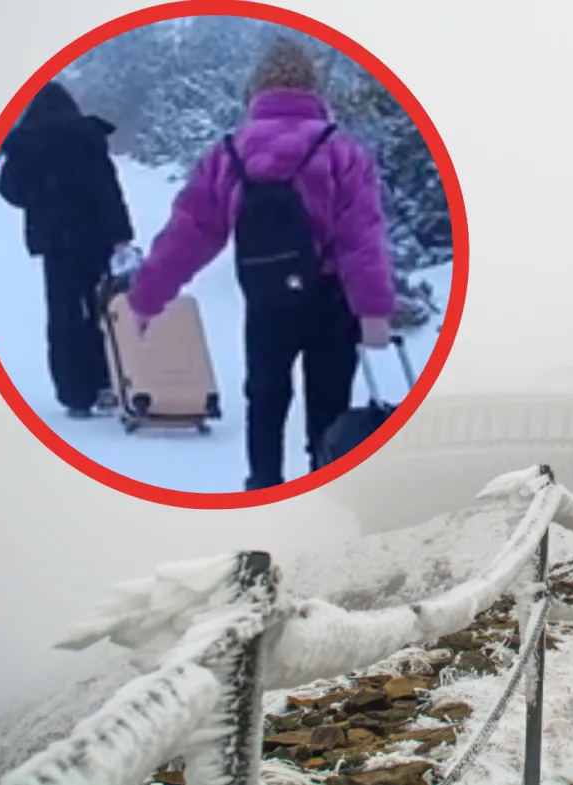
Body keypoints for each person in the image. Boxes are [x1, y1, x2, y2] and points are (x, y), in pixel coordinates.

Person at [126, 39, 397, 491]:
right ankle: (325, 494)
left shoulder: (229, 152)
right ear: (315, 89)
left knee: (266, 400)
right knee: (328, 407)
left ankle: (263, 489)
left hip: (266, 298)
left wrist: (147, 299)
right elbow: (361, 238)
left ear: (255, 92)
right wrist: (372, 310)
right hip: (330, 302)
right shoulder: (342, 150)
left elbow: (187, 233)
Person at [0, 80, 134, 419]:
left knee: (64, 315)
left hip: (56, 242)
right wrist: (121, 235)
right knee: (105, 311)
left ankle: (75, 393)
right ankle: (108, 380)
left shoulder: (25, 143)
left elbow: (10, 190)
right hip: (95, 238)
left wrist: (41, 195)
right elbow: (108, 189)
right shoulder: (87, 137)